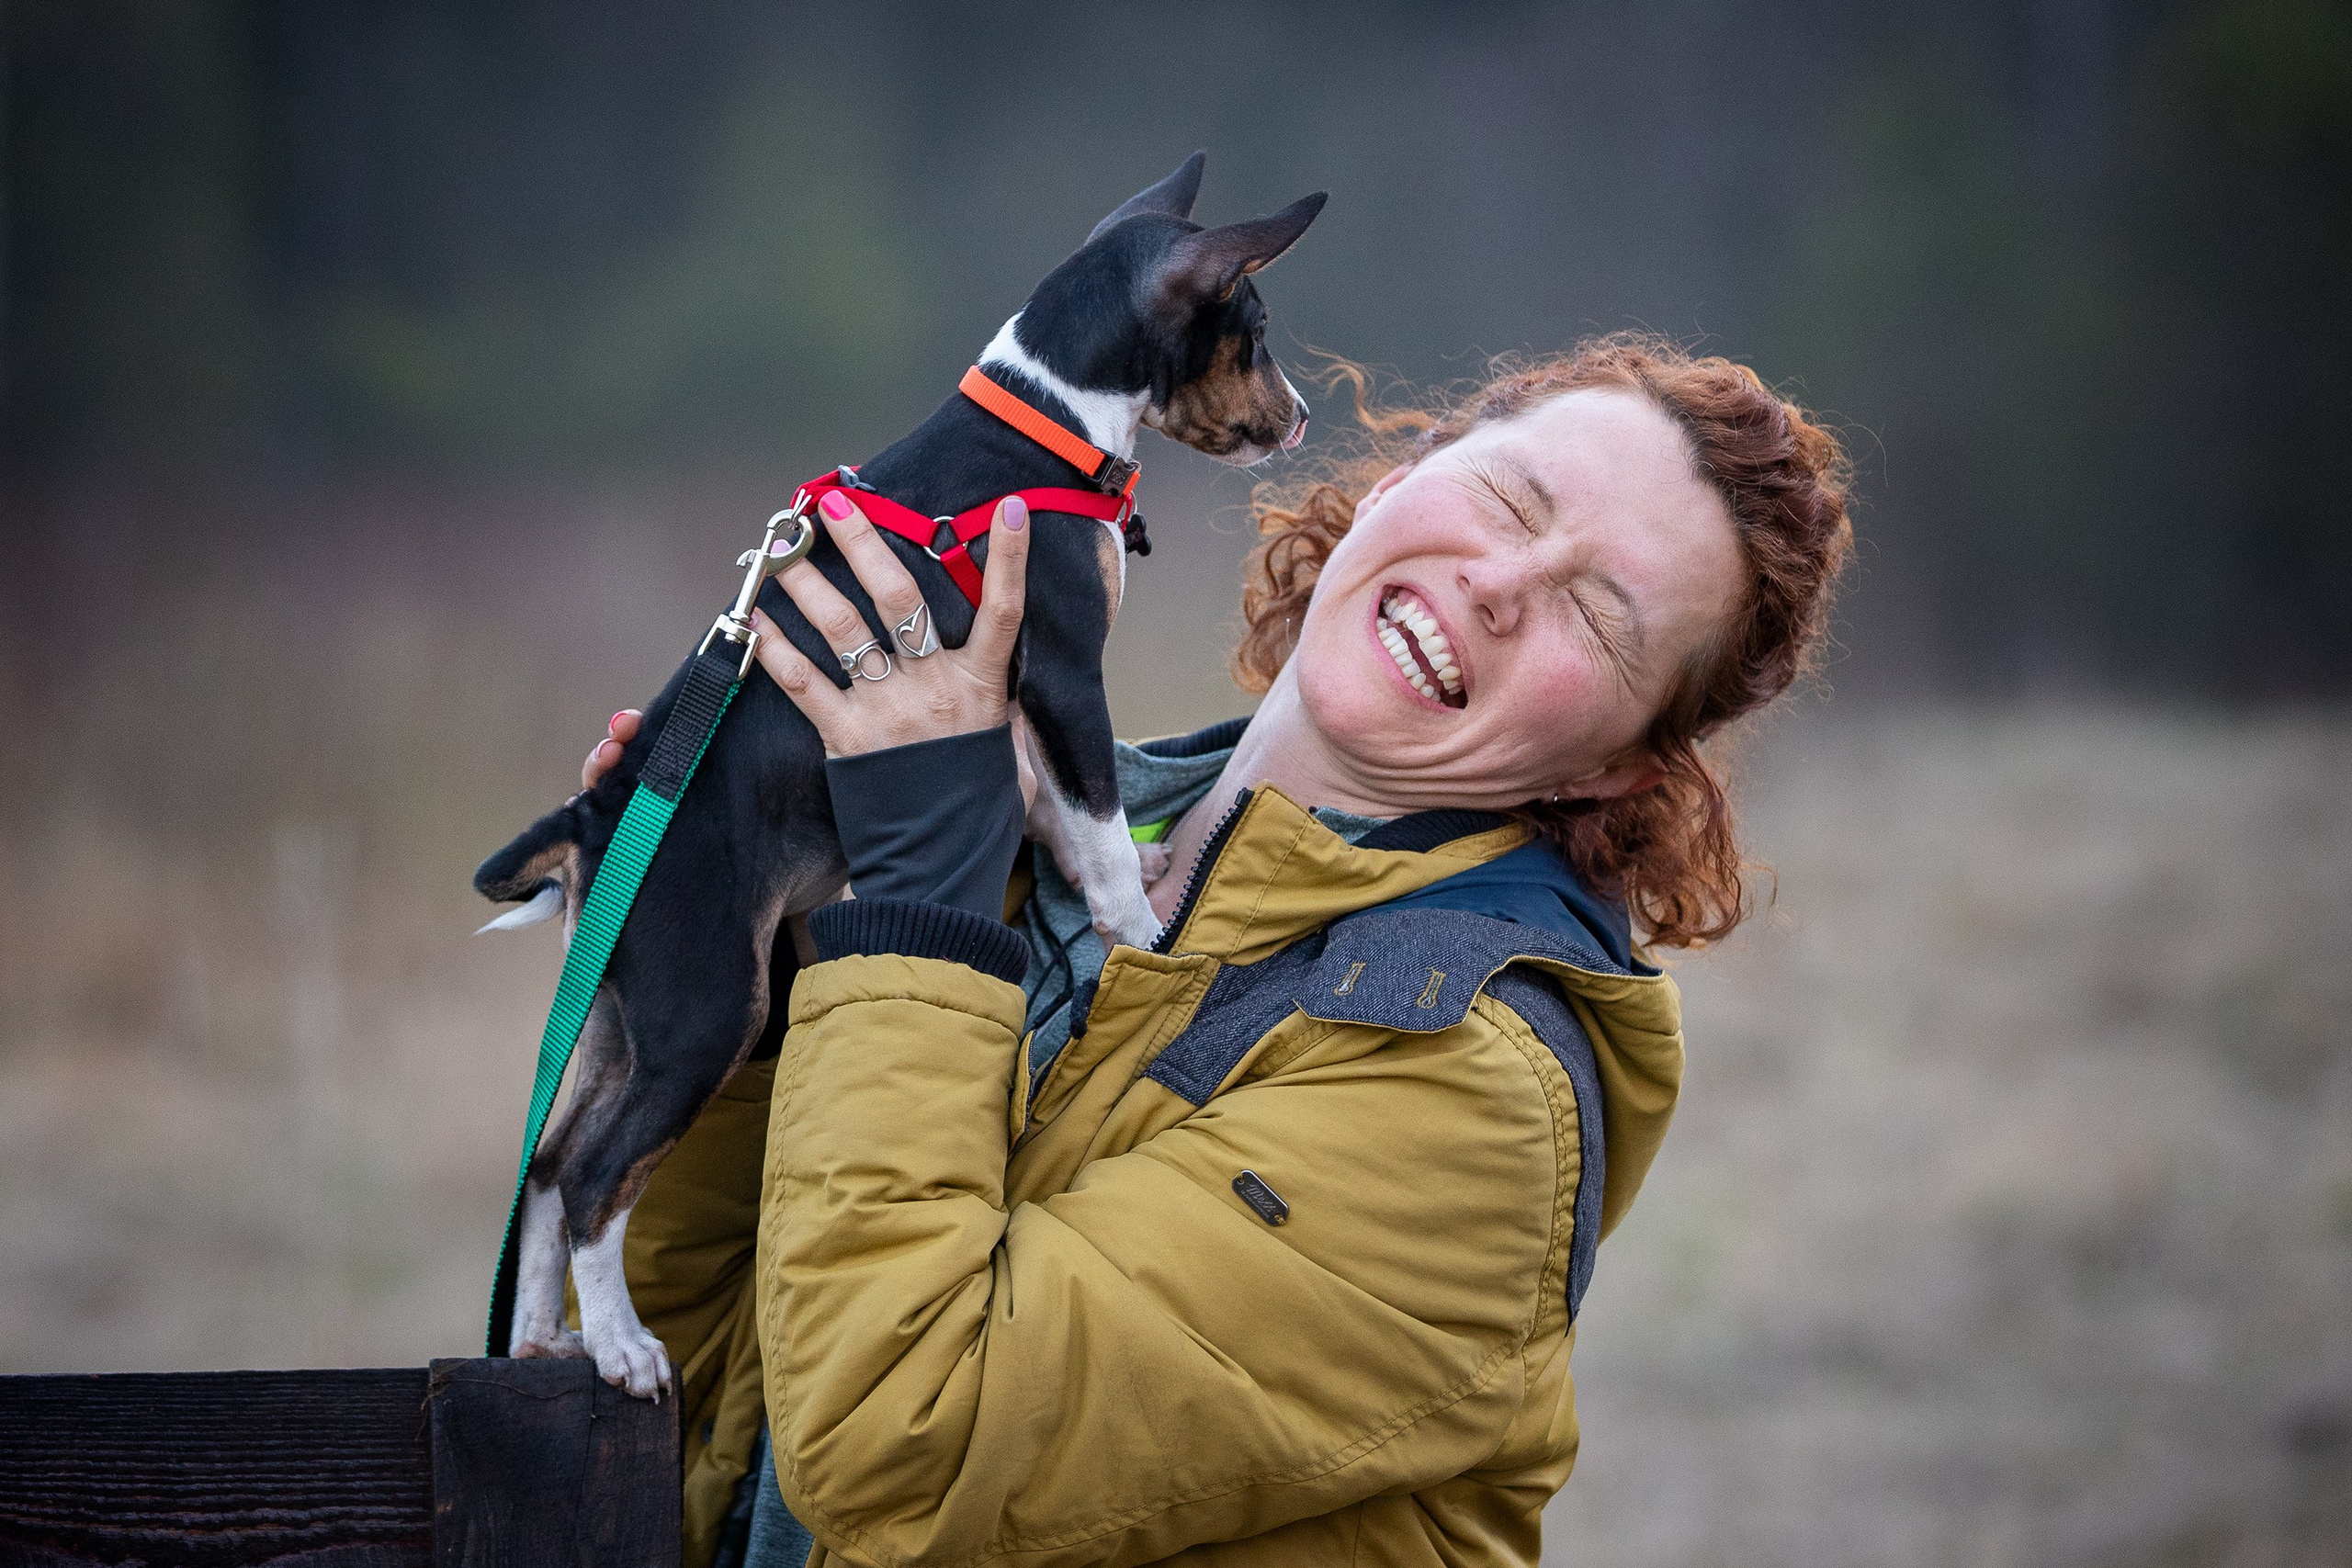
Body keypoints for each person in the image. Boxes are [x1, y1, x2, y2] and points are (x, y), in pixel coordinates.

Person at [576, 333, 1851, 1568]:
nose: (1503, 585)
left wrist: (923, 897)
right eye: (1511, 501)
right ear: (1401, 484)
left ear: (1614, 766)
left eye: (1596, 616)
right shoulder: (1056, 842)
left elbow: (899, 1454)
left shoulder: (1477, 1098)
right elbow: (689, 1412)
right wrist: (731, 970)